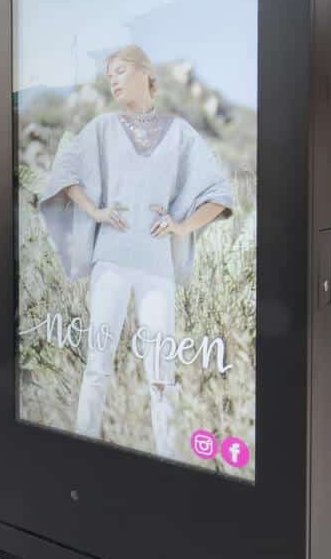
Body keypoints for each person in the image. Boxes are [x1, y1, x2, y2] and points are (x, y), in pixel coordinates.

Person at [39, 45, 235, 458]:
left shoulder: (180, 133)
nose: (112, 79)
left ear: (146, 74)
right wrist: (95, 210)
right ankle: (83, 445)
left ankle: (170, 457)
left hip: (156, 266)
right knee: (98, 363)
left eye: (121, 70)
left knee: (160, 371)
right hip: (109, 261)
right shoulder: (102, 127)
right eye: (109, 73)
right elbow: (65, 172)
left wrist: (182, 225)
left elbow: (218, 192)